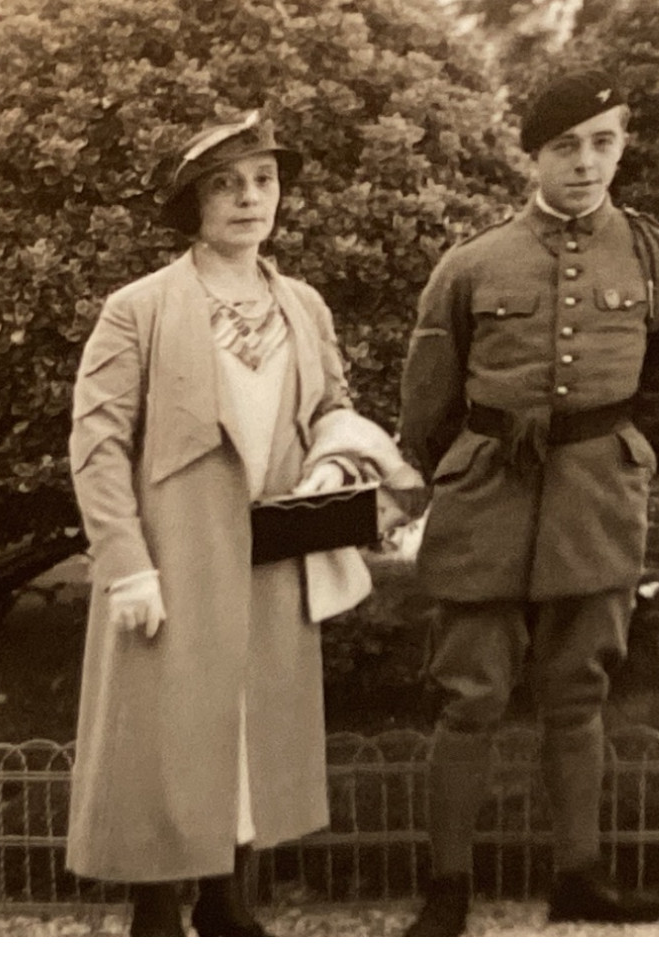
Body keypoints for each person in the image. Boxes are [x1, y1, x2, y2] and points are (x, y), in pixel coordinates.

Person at [65, 111, 420, 936]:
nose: (249, 198)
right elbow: (97, 443)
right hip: (174, 551)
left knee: (252, 726)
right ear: (193, 204)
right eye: (225, 184)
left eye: (263, 181)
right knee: (163, 730)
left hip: (275, 548)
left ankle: (228, 902)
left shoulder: (302, 305)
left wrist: (339, 462)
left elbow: (331, 408)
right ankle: (154, 907)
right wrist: (127, 563)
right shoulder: (139, 308)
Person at [398, 69, 659, 935]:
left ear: (622, 144)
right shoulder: (473, 262)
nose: (585, 162)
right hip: (488, 497)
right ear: (532, 154)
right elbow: (428, 401)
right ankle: (447, 889)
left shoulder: (657, 256)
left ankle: (578, 875)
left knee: (578, 691)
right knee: (471, 696)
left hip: (595, 496)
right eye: (565, 146)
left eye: (603, 141)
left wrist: (608, 446)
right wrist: (469, 460)